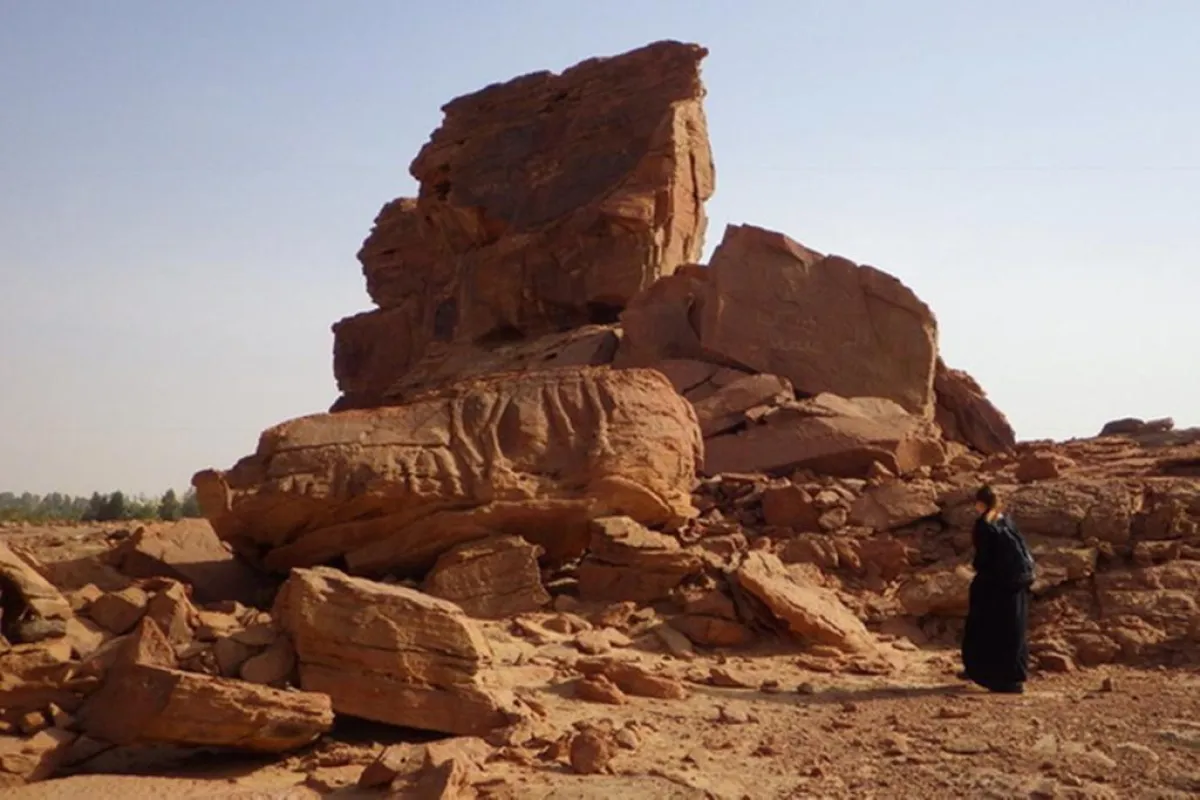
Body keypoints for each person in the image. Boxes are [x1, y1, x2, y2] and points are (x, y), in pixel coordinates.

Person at [960, 484, 1035, 694]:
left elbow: (984, 559)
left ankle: (988, 673)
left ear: (980, 503)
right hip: (1017, 584)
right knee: (1013, 629)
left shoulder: (984, 525)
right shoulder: (1006, 521)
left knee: (985, 628)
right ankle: (1014, 676)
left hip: (995, 585)